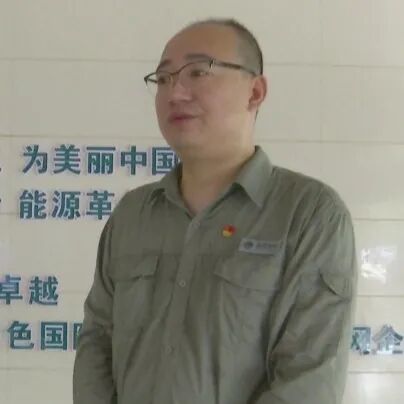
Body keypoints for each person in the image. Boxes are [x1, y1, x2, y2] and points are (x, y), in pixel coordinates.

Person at [73, 18, 357, 404]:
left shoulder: (310, 215)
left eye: (198, 71)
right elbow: (96, 343)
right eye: (163, 78)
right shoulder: (132, 214)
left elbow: (308, 380)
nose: (175, 92)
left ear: (255, 92)